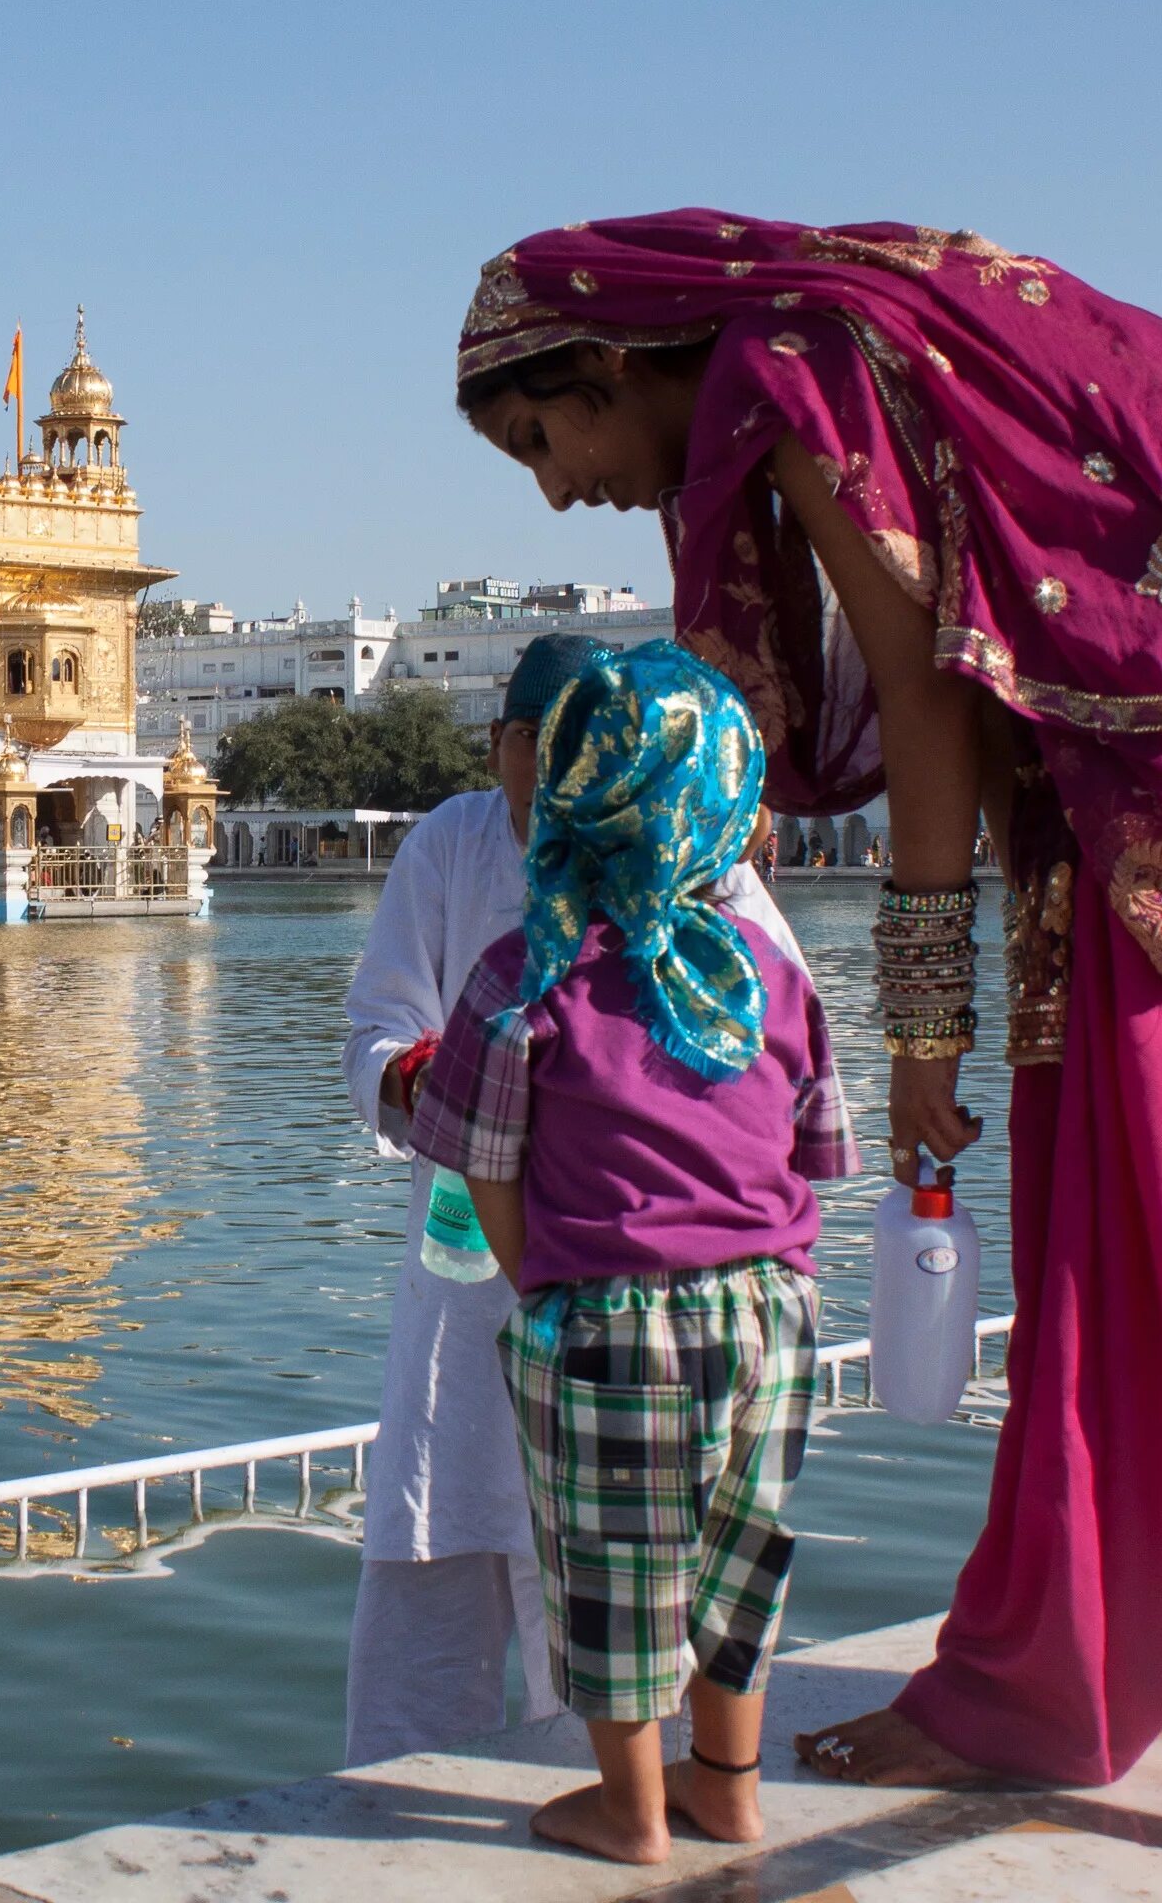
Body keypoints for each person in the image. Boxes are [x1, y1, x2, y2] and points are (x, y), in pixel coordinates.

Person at [455, 212, 1162, 1789]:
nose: (557, 486)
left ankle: (1039, 1693)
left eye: (547, 433)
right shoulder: (864, 330)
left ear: (610, 356)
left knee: (1139, 1266)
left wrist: (924, 1030)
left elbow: (929, 702)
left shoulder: (791, 370)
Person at [339, 632, 829, 1769]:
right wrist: (432, 1084)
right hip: (482, 1297)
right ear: (505, 745)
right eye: (533, 743)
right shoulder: (451, 846)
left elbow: (778, 1062)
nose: (550, 771)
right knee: (445, 1569)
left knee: (626, 1595)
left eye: (578, 746)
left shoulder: (703, 861)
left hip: (625, 1299)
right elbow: (374, 1034)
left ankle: (633, 1800)